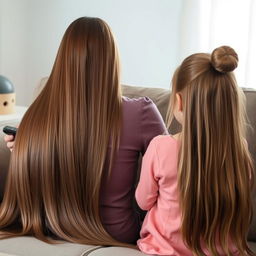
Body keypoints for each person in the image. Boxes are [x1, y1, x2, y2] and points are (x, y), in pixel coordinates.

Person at [1, 17, 167, 246]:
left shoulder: (37, 112)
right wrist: (30, 144)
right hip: (116, 232)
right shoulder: (141, 112)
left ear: (63, 59)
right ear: (111, 60)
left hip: (49, 226)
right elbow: (173, 172)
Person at [135, 46, 255, 255]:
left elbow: (143, 201)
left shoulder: (160, 147)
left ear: (179, 101)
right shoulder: (240, 151)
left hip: (164, 250)